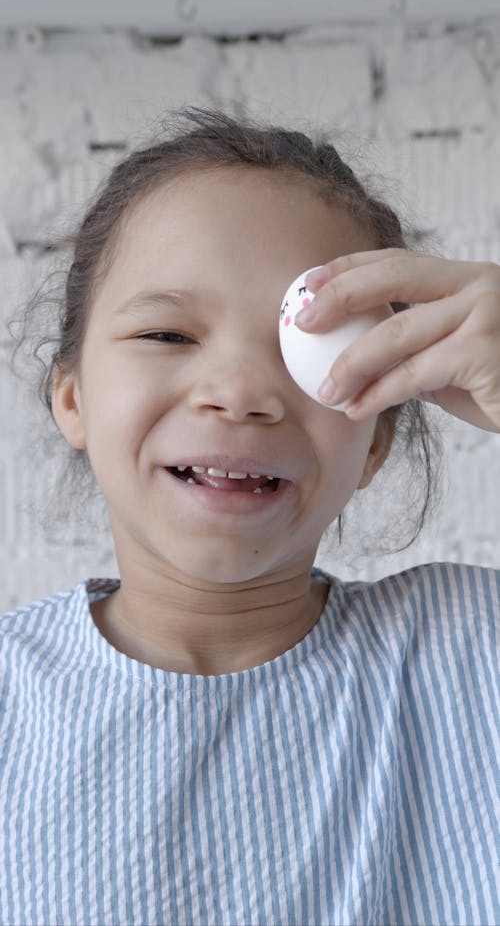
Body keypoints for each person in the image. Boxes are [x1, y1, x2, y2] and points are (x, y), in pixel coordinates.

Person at [1, 106, 499, 926]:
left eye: (311, 347)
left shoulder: (471, 657)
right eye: (166, 333)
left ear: (376, 439)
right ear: (73, 397)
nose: (238, 393)